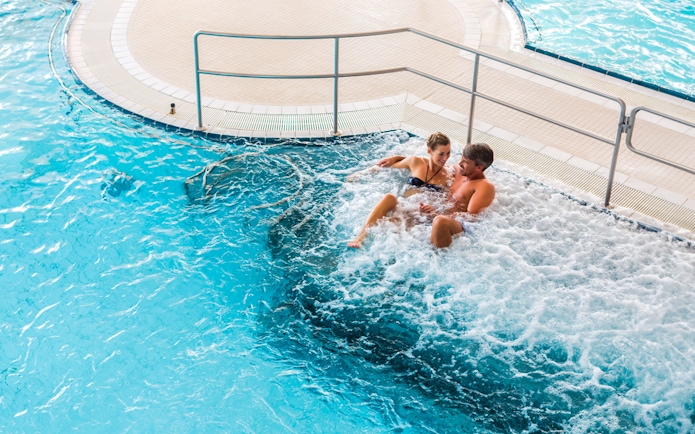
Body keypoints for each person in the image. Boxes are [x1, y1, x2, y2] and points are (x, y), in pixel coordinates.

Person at [347, 132, 452, 248]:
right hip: (404, 205)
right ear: (429, 151)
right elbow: (386, 167)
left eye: (448, 153)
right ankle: (360, 237)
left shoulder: (448, 176)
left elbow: (447, 205)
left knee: (391, 225)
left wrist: (433, 210)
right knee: (389, 198)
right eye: (441, 154)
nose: (445, 158)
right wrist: (361, 174)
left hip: (420, 215)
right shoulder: (416, 162)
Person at [419, 142, 495, 248]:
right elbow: (431, 166)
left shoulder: (484, 186)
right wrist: (398, 159)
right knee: (405, 211)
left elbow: (471, 218)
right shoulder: (457, 171)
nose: (460, 163)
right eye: (462, 158)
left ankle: (434, 257)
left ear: (479, 168)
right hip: (438, 212)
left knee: (440, 221)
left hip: (457, 224)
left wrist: (435, 215)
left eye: (466, 162)